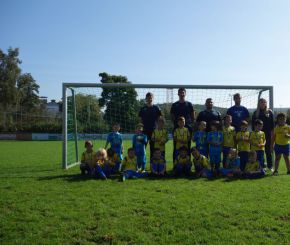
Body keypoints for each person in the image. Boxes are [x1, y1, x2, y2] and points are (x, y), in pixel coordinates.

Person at [170, 88, 195, 160]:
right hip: (177, 127)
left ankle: (187, 165)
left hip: (188, 127)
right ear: (178, 94)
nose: (181, 94)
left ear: (185, 94)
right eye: (180, 93)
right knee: (176, 147)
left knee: (187, 146)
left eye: (183, 92)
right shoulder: (175, 105)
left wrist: (192, 123)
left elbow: (193, 114)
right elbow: (172, 115)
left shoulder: (189, 104)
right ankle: (175, 165)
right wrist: (175, 123)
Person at [252, 98, 274, 171]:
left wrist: (272, 137)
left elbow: (272, 126)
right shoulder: (256, 113)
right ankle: (261, 165)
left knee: (268, 151)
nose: (263, 103)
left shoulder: (270, 112)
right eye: (261, 102)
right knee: (259, 151)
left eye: (264, 102)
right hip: (258, 135)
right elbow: (253, 126)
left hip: (267, 135)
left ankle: (270, 166)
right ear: (258, 103)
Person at [138, 92, 162, 160]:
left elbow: (160, 119)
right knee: (141, 148)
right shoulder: (142, 108)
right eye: (148, 97)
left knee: (153, 149)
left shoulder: (157, 108)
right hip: (143, 132)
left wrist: (158, 129)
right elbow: (140, 120)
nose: (149, 99)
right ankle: (140, 166)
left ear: (153, 98)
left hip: (153, 131)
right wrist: (140, 130)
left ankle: (153, 165)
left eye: (151, 97)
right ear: (146, 98)